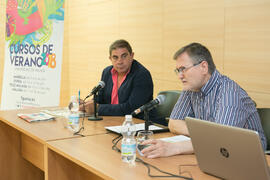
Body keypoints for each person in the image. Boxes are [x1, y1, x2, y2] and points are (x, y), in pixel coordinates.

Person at [141, 42, 267, 158]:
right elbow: (174, 123)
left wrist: (175, 147)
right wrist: (207, 135)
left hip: (248, 158)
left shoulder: (229, 93)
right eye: (178, 70)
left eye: (183, 69)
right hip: (217, 153)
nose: (180, 76)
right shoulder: (191, 88)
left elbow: (221, 140)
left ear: (204, 67)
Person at [80, 39, 156, 122]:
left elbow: (131, 109)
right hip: (112, 121)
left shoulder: (142, 75)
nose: (120, 62)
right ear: (110, 59)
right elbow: (101, 99)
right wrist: (86, 104)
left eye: (124, 56)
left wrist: (97, 108)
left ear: (132, 56)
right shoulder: (107, 72)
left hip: (138, 124)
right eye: (115, 57)